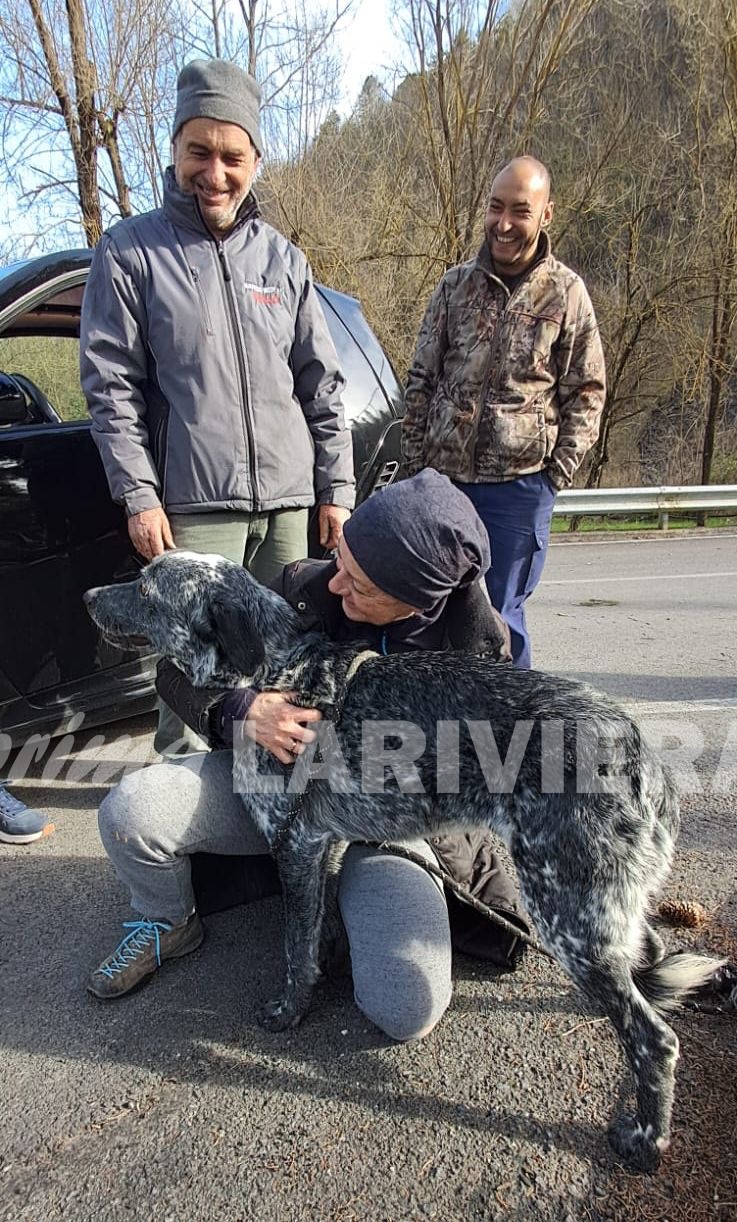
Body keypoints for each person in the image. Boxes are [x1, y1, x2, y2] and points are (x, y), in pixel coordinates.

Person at [87, 470, 531, 1043]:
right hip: (267, 779)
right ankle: (168, 922)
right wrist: (240, 710)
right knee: (132, 813)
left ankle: (339, 901)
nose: (337, 582)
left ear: (417, 603)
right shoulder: (304, 584)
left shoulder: (481, 662)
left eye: (361, 586)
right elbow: (177, 671)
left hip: (391, 831)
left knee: (403, 1006)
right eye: (342, 558)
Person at [80, 59, 355, 754]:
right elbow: (109, 385)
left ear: (255, 160)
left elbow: (321, 385)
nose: (216, 171)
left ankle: (278, 831)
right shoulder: (130, 253)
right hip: (194, 511)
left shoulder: (284, 262)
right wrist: (139, 495)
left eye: (232, 155)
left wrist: (337, 490)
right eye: (198, 151)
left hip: (290, 508)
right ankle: (187, 839)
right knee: (195, 681)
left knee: (291, 674)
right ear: (175, 151)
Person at [402, 156, 606, 668]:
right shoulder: (454, 286)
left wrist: (552, 476)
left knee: (499, 620)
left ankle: (509, 739)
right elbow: (421, 380)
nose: (505, 223)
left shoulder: (567, 293)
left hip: (518, 490)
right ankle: (437, 735)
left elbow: (588, 390)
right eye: (496, 208)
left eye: (521, 210)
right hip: (442, 484)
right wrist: (415, 470)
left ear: (546, 215)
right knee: (427, 615)